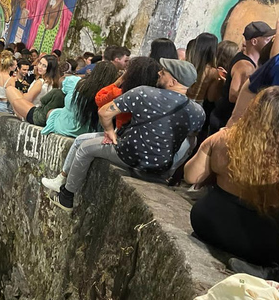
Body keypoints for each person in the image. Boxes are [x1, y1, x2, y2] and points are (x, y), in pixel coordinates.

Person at [42, 59, 205, 211]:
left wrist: (110, 132)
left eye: (164, 72)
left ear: (173, 81)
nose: (159, 72)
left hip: (130, 156)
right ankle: (165, 173)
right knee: (191, 139)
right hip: (161, 166)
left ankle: (66, 196)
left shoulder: (145, 93)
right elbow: (190, 143)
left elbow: (104, 112)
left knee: (85, 148)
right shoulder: (198, 112)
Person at [185, 86, 279, 267]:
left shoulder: (222, 138)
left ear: (253, 108)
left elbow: (191, 176)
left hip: (207, 222)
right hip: (257, 243)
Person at [209, 22, 274, 132]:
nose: (270, 43)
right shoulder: (244, 66)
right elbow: (233, 95)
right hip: (224, 121)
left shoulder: (254, 62)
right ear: (254, 41)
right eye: (267, 40)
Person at [41, 61, 119, 137]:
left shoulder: (78, 84)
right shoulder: (110, 94)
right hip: (89, 132)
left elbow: (62, 79)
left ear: (93, 72)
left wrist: (83, 76)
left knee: (52, 112)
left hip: (66, 126)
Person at [5, 56, 69, 126]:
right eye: (40, 63)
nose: (40, 67)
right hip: (40, 113)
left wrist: (20, 93)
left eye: (44, 66)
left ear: (50, 69)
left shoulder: (41, 82)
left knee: (10, 89)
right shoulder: (54, 83)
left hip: (32, 112)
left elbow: (27, 99)